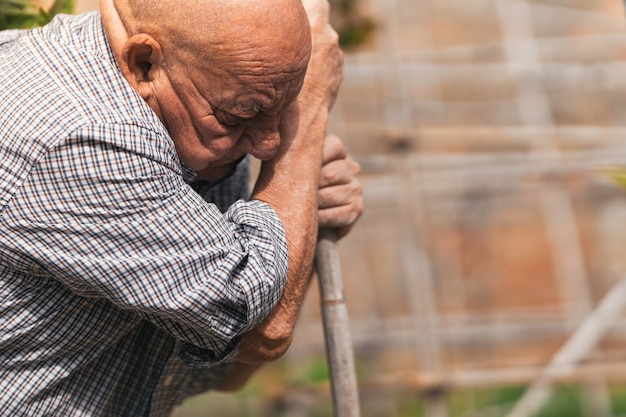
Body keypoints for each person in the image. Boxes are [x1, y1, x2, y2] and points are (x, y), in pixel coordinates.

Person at [0, 0, 362, 415]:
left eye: (282, 113)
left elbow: (229, 368)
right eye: (241, 114)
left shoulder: (192, 108)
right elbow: (260, 332)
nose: (268, 144)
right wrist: (308, 120)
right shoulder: (84, 138)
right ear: (143, 62)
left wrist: (303, 211)